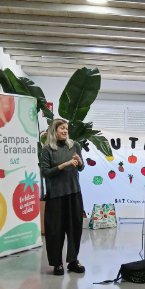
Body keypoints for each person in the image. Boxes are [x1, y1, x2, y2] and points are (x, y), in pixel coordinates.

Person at [41, 118, 85, 276]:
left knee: (74, 229)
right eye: (62, 128)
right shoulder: (47, 149)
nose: (65, 131)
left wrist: (79, 162)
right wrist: (64, 165)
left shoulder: (75, 146)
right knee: (55, 231)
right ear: (54, 131)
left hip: (73, 193)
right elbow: (45, 172)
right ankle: (57, 263)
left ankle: (73, 261)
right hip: (55, 196)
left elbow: (81, 168)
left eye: (66, 128)